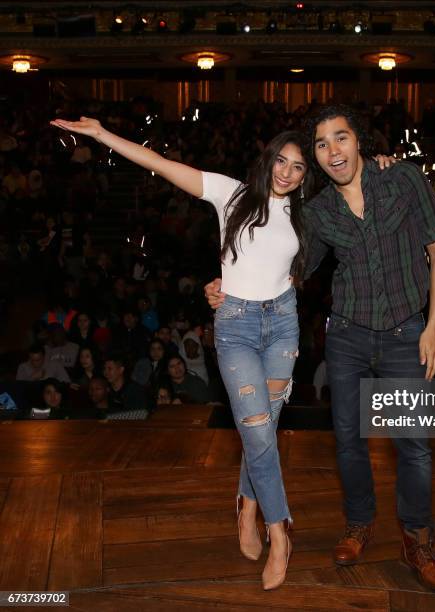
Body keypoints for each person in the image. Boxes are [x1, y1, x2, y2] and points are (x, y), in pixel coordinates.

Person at [49, 115, 399, 590]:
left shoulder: (309, 212)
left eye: (298, 167)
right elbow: (158, 162)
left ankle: (247, 503)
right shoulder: (229, 193)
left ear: (304, 176)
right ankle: (281, 532)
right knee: (257, 433)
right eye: (282, 161)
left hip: (283, 324)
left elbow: (355, 189)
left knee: (263, 431)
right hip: (235, 327)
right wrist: (101, 134)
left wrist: (381, 164)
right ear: (269, 158)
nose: (287, 172)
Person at [206, 104, 435, 591]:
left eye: (340, 138)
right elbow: (284, 266)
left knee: (414, 446)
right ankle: (359, 526)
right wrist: (224, 285)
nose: (332, 150)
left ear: (358, 141)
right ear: (316, 158)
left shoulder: (402, 178)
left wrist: (434, 328)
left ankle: (418, 541)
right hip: (346, 335)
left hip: (408, 333)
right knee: (348, 442)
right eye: (321, 144)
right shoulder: (317, 212)